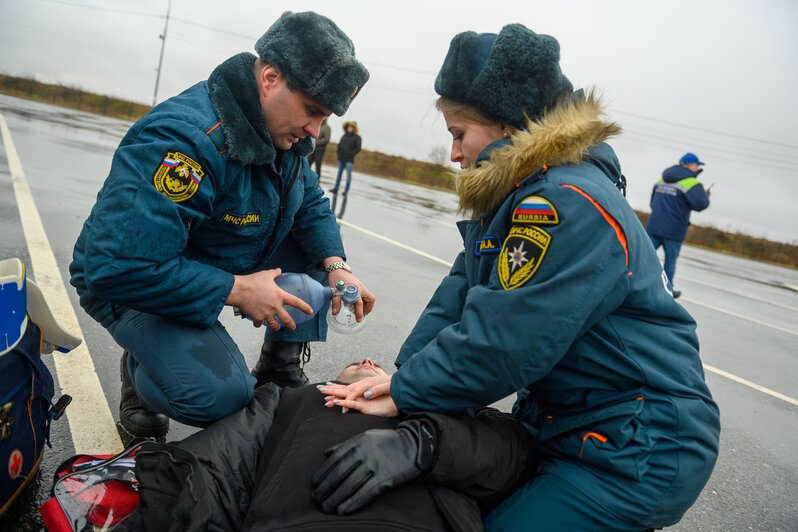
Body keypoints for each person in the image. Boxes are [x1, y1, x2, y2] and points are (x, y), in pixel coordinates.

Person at [319, 24, 721, 531]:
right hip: (568, 427)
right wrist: (401, 378)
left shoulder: (566, 201)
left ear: (508, 126)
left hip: (635, 448)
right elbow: (460, 297)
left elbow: (506, 341)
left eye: (459, 135)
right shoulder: (514, 200)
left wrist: (404, 395)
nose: (455, 154)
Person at [68, 11, 375, 439]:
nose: (314, 129)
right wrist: (238, 289)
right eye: (311, 111)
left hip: (204, 255)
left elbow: (310, 204)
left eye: (324, 117)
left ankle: (277, 367)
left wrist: (336, 263)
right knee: (220, 397)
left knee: (314, 247)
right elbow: (117, 267)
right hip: (132, 283)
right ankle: (140, 370)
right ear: (269, 78)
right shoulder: (185, 142)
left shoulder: (284, 136)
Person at [112, 358, 535, 531]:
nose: (369, 362)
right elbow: (220, 462)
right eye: (357, 363)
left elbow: (515, 451)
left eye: (377, 365)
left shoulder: (440, 410)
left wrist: (422, 444)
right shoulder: (294, 399)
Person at [646, 152, 711, 298]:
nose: (698, 168)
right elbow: (700, 204)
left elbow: (652, 202)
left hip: (654, 226)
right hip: (674, 232)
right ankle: (667, 291)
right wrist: (705, 195)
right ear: (689, 165)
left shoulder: (661, 180)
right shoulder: (692, 184)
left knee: (643, 256)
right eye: (697, 165)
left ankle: (635, 282)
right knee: (670, 263)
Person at [330, 121, 362, 195]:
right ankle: (336, 188)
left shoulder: (357, 137)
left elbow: (358, 148)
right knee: (339, 174)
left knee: (348, 175)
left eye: (351, 127)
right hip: (341, 159)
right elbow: (339, 145)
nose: (349, 128)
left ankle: (346, 191)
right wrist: (339, 153)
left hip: (349, 160)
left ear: (354, 128)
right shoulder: (344, 136)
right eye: (348, 127)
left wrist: (350, 154)